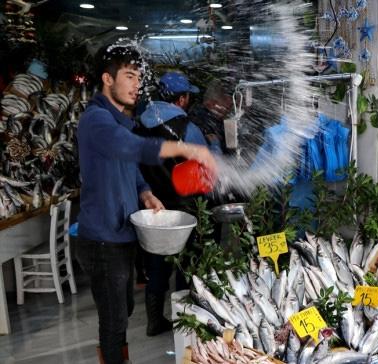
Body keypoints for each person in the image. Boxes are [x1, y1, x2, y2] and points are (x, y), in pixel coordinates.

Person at [75, 45, 217, 364]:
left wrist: (145, 192)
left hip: (121, 235)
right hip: (101, 239)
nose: (135, 84)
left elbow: (130, 164)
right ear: (107, 79)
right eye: (128, 76)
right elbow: (132, 148)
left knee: (122, 313)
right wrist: (190, 150)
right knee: (113, 324)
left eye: (138, 77)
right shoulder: (96, 120)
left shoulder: (120, 120)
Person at [134, 71, 208, 337]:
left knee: (157, 265)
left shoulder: (138, 125)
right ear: (182, 98)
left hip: (152, 208)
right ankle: (185, 322)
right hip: (186, 208)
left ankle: (155, 320)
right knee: (188, 265)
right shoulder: (189, 129)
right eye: (188, 97)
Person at [187, 79, 234, 152]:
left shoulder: (219, 119)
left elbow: (232, 149)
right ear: (212, 103)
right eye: (225, 98)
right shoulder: (200, 121)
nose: (231, 101)